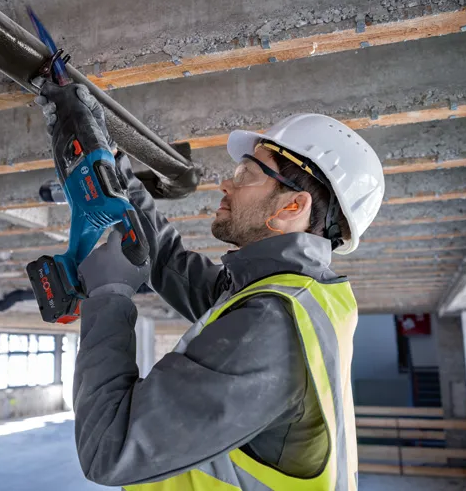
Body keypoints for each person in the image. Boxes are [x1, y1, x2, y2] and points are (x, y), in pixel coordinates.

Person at [39, 82, 385, 491]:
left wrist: (109, 298)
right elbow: (170, 263)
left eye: (246, 174)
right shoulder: (283, 292)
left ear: (293, 206)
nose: (227, 184)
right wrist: (112, 168)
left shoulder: (270, 328)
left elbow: (109, 450)